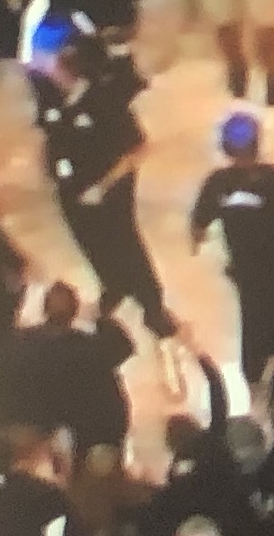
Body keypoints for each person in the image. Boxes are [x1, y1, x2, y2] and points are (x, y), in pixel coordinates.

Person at [37, 34, 175, 338]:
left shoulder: (104, 101)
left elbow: (136, 148)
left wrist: (103, 187)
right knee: (92, 245)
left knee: (127, 246)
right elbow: (49, 141)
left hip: (108, 195)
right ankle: (114, 285)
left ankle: (153, 307)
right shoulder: (53, 105)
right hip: (71, 195)